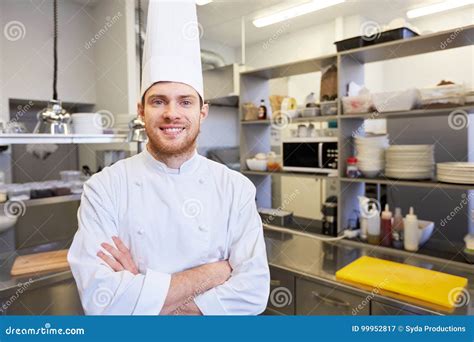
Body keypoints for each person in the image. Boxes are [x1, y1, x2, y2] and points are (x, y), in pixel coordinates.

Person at [67, 0, 270, 315]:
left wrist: (142, 293)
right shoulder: (103, 188)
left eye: (185, 102)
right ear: (141, 111)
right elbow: (101, 300)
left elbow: (254, 292)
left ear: (202, 113)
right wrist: (214, 273)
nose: (172, 114)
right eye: (159, 101)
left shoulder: (236, 189)